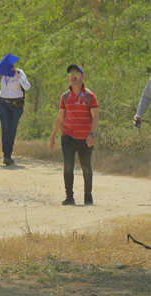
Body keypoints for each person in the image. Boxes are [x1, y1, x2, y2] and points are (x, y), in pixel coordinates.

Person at [48, 65, 99, 206]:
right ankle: (69, 197)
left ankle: (88, 196)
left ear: (83, 76)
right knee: (68, 165)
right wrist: (53, 137)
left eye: (76, 73)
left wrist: (92, 134)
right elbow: (60, 118)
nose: (73, 76)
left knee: (86, 167)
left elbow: (95, 117)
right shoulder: (65, 96)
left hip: (85, 138)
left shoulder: (90, 96)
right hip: (68, 136)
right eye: (70, 74)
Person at [0, 63, 30, 165]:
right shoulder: (1, 73)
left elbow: (27, 87)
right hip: (3, 103)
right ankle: (6, 156)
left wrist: (17, 75)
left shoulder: (19, 72)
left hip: (16, 105)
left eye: (11, 65)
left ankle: (9, 154)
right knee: (5, 128)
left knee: (12, 130)